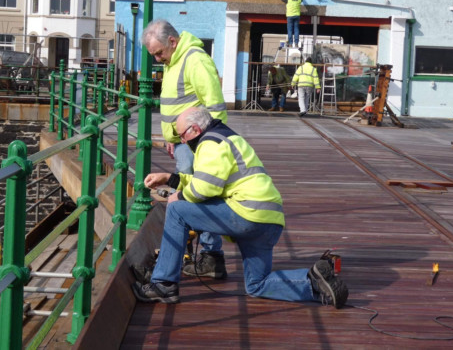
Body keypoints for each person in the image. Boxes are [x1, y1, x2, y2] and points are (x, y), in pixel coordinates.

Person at [132, 107, 349, 308]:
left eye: (182, 135)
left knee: (177, 210)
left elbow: (203, 190)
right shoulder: (227, 137)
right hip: (269, 219)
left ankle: (164, 284)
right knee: (256, 284)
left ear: (195, 129)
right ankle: (313, 283)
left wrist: (177, 195)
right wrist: (171, 179)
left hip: (247, 214)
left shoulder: (210, 143)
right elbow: (211, 182)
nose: (181, 140)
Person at [141, 19, 228, 279]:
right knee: (190, 195)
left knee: (203, 194)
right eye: (153, 55)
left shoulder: (194, 59)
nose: (157, 59)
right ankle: (200, 254)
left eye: (159, 53)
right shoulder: (174, 60)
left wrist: (208, 143)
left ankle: (212, 256)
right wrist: (171, 135)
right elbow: (178, 102)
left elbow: (214, 105)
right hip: (183, 142)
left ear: (173, 41)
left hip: (197, 143)